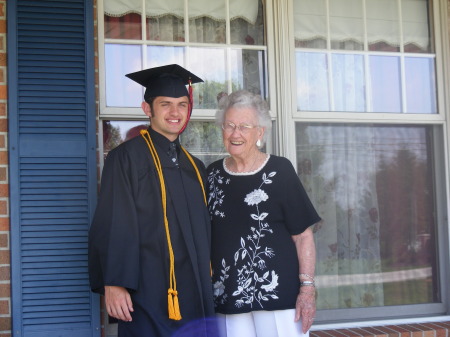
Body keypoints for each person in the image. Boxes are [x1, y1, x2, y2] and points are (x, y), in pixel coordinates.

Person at [88, 64, 217, 337]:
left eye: (182, 104)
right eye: (165, 104)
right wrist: (114, 282)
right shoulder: (126, 158)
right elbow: (114, 221)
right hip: (147, 289)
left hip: (195, 290)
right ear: (148, 109)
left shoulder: (195, 167)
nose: (175, 113)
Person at [207, 90, 321, 337]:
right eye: (229, 126)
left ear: (260, 132)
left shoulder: (280, 170)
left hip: (278, 298)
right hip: (227, 297)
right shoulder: (212, 175)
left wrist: (307, 289)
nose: (235, 134)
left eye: (245, 126)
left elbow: (303, 235)